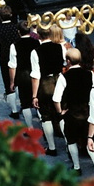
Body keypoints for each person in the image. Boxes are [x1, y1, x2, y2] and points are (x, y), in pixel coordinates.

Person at [53, 48, 94, 175]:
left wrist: (60, 113)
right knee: (89, 139)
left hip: (72, 113)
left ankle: (77, 166)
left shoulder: (64, 77)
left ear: (68, 61)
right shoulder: (90, 74)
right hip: (87, 112)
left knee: (71, 140)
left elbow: (56, 99)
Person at [31, 25, 65, 156]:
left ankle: (51, 147)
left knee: (46, 116)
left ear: (38, 35)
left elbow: (35, 75)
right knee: (61, 113)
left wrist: (34, 95)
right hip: (59, 80)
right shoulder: (60, 47)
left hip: (45, 83)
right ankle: (69, 143)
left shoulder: (36, 52)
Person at [0, 6, 21, 119]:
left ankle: (14, 110)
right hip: (19, 57)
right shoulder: (17, 28)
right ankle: (23, 104)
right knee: (19, 82)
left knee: (9, 85)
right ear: (11, 15)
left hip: (5, 60)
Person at [8, 21, 40, 127]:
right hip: (36, 74)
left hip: (23, 76)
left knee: (25, 104)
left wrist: (12, 81)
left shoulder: (15, 45)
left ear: (18, 32)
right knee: (39, 100)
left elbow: (13, 66)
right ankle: (43, 124)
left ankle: (30, 128)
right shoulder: (37, 42)